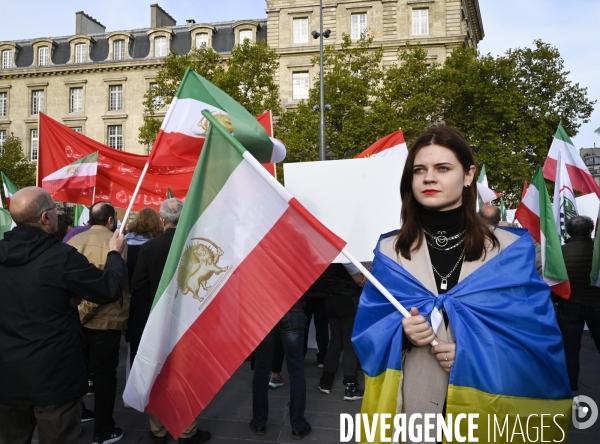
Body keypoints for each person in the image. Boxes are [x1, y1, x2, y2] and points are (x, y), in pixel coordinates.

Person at [352, 126, 573, 441]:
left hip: (487, 406)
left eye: (443, 168)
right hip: (412, 407)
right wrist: (401, 334)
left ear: (468, 175)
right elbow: (367, 331)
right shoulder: (389, 250)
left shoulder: (510, 249)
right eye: (419, 170)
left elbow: (537, 341)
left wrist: (474, 352)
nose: (429, 178)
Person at [0, 187, 127, 444]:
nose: (58, 214)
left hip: (8, 376)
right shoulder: (61, 257)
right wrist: (115, 253)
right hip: (54, 377)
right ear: (45, 218)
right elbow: (109, 289)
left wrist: (61, 294)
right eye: (55, 209)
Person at [130, 198, 211, 444]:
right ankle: (187, 431)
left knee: (157, 373)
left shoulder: (150, 248)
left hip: (158, 321)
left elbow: (139, 288)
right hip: (189, 323)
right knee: (185, 374)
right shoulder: (196, 246)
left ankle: (158, 431)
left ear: (162, 220)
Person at [68, 202, 129, 444]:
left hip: (76, 317)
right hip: (106, 319)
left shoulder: (73, 241)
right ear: (111, 220)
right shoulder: (116, 243)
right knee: (105, 375)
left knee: (77, 369)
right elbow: (109, 282)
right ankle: (103, 429)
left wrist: (80, 312)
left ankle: (79, 414)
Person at [553, 216, 600, 398]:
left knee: (570, 349)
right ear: (590, 231)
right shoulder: (597, 251)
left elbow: (554, 280)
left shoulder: (560, 253)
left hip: (569, 305)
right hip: (597, 305)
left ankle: (571, 387)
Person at [250, 303, 312, 440]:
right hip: (292, 308)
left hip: (264, 309)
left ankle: (259, 422)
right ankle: (298, 426)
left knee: (261, 368)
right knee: (296, 369)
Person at [317, 264, 364, 401]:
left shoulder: (326, 252)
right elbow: (359, 279)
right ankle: (350, 386)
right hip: (348, 299)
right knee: (349, 343)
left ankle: (325, 382)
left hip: (330, 299)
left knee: (335, 340)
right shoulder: (346, 257)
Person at [124, 208, 163, 368]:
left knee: (136, 345)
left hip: (132, 298)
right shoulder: (159, 245)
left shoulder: (125, 243)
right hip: (155, 297)